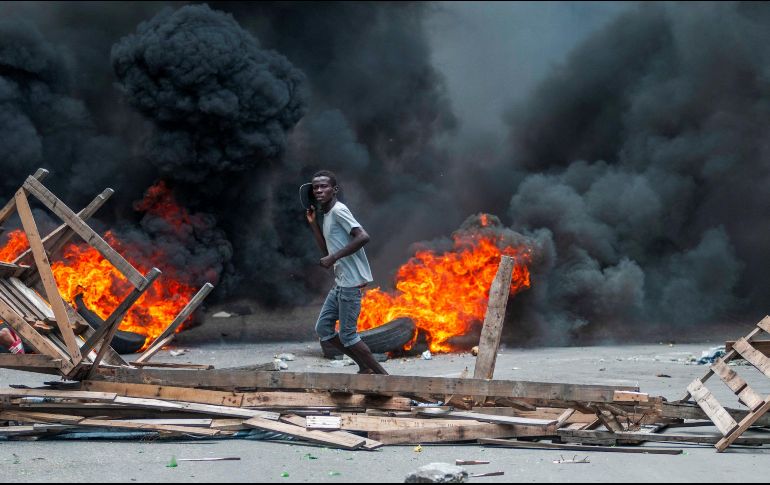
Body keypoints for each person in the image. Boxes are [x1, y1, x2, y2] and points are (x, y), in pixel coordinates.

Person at [305, 170, 388, 375]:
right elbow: (327, 250)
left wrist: (333, 258)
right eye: (315, 187)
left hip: (350, 284)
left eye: (323, 186)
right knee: (323, 329)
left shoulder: (339, 210)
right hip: (341, 283)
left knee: (348, 336)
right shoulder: (327, 215)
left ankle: (384, 377)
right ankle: (363, 366)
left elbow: (363, 237)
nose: (318, 190)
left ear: (334, 190)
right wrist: (314, 224)